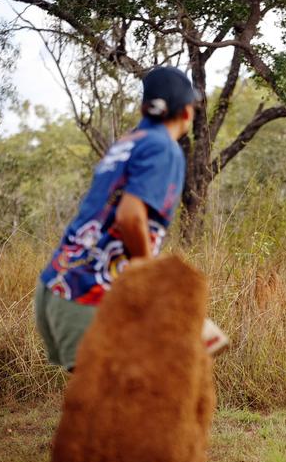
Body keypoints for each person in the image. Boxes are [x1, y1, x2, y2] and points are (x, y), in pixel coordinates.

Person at [35, 66, 203, 371]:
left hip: (57, 287)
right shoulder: (164, 148)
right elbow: (130, 216)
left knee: (110, 399)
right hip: (89, 295)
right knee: (125, 403)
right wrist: (148, 273)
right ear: (186, 113)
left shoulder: (128, 142)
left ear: (145, 108)